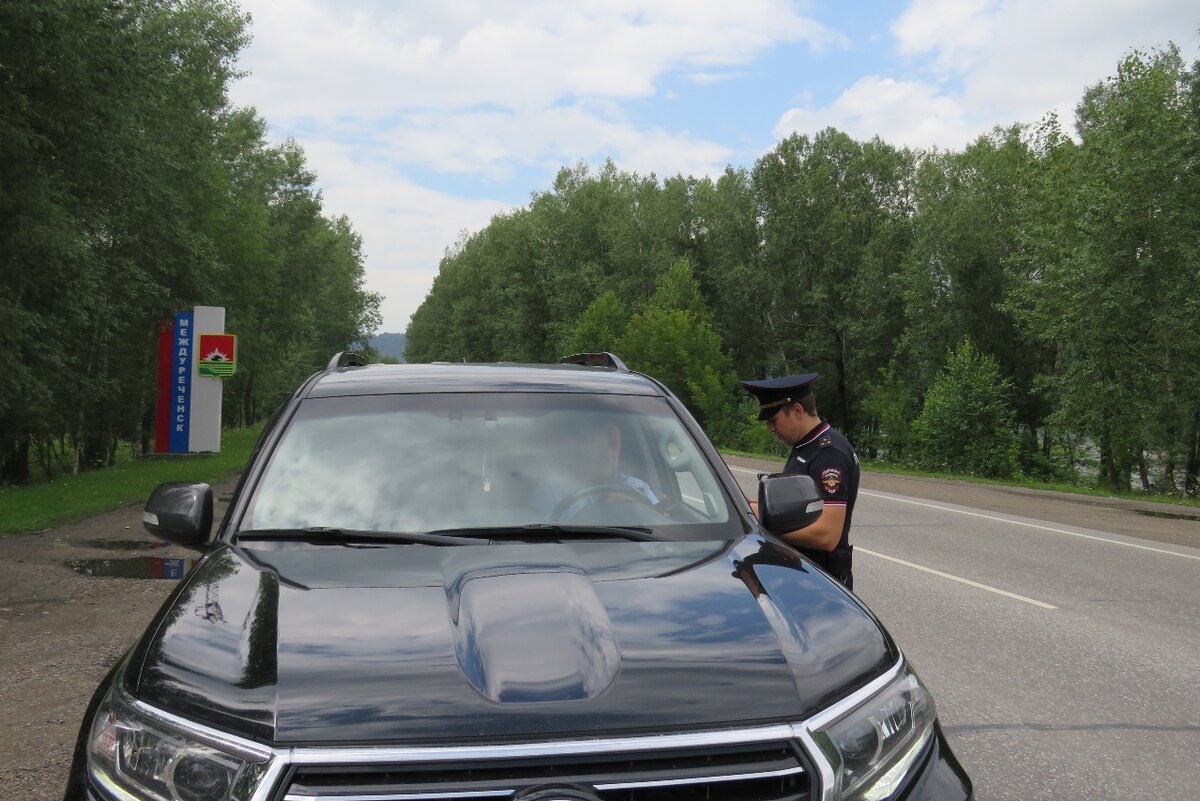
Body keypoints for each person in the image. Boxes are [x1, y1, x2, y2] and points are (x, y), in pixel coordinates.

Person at [741, 373, 860, 590]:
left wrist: (762, 520)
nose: (770, 429)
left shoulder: (829, 453)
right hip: (804, 576)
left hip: (821, 584)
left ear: (797, 410)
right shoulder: (807, 446)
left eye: (773, 420)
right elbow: (803, 509)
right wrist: (752, 508)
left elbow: (827, 535)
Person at [532, 416, 659, 521]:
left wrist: (663, 522)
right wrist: (601, 511)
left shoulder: (638, 487)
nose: (608, 454)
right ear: (581, 447)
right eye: (599, 446)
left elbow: (658, 542)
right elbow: (548, 544)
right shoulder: (552, 490)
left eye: (613, 444)